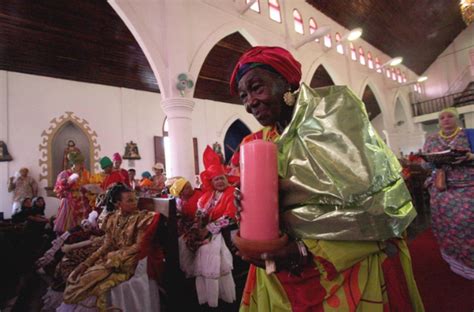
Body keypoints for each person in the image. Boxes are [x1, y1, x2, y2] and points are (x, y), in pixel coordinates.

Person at [230, 46, 423, 311]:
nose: (250, 101)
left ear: (286, 82)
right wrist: (247, 204)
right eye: (244, 96)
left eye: (257, 88)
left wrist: (300, 252)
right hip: (280, 271)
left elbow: (374, 205)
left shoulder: (333, 115)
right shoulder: (264, 141)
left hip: (349, 266)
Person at [62, 183, 155, 310]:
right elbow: (106, 245)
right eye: (130, 200)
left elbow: (138, 246)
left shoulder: (141, 218)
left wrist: (117, 255)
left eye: (135, 199)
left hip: (125, 262)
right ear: (117, 204)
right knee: (80, 279)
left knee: (84, 284)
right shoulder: (112, 218)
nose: (134, 203)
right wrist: (85, 264)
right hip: (110, 260)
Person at [179, 149, 237, 308]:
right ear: (211, 182)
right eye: (216, 179)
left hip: (225, 231)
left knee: (206, 251)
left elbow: (230, 217)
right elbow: (201, 211)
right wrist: (198, 224)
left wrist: (208, 229)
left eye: (222, 178)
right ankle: (201, 293)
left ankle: (217, 295)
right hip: (208, 229)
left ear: (227, 178)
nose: (219, 182)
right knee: (183, 243)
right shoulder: (209, 195)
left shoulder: (232, 193)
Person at [423, 107, 474, 279]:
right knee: (446, 224)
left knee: (468, 222)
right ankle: (456, 262)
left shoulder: (469, 135)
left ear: (457, 118)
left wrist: (470, 157)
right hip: (442, 188)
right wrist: (432, 162)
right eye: (442, 117)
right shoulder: (431, 140)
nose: (446, 119)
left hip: (468, 186)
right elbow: (427, 165)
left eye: (450, 116)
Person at [54, 152, 90, 234]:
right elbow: (58, 189)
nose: (81, 165)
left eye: (82, 163)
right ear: (74, 164)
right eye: (80, 163)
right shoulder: (64, 174)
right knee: (69, 225)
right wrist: (67, 183)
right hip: (69, 202)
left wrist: (87, 188)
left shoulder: (85, 173)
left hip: (82, 200)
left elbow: (87, 185)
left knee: (83, 224)